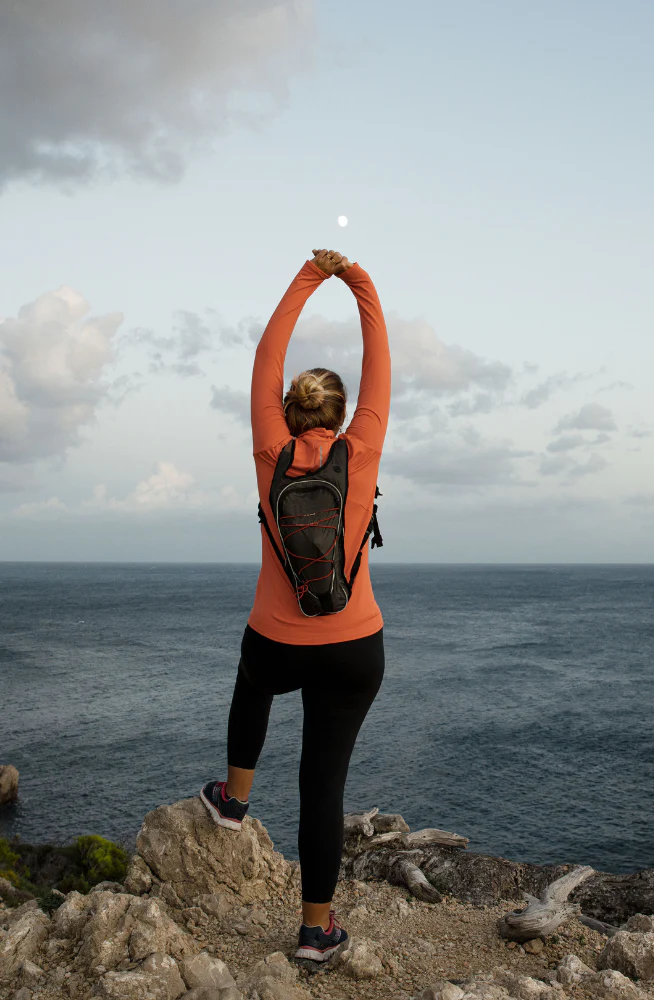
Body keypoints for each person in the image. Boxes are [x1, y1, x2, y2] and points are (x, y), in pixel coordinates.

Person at [199, 248, 391, 963]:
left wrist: (310, 275)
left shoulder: (268, 450)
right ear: (342, 415)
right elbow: (380, 361)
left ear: (285, 408)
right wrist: (357, 280)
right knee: (323, 786)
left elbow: (265, 354)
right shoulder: (361, 449)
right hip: (355, 647)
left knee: (252, 678)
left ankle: (234, 798)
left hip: (276, 642)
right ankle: (315, 932)